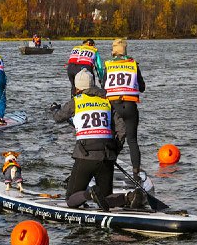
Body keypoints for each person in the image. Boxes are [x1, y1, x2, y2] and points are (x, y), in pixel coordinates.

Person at [50, 69, 147, 211]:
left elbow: (58, 118)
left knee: (71, 200)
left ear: (77, 88)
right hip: (107, 155)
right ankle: (129, 197)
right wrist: (115, 149)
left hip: (85, 155)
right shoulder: (107, 101)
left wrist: (54, 109)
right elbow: (122, 129)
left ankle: (89, 194)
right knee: (106, 199)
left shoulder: (75, 102)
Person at [102, 38, 146, 176]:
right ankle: (136, 171)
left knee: (111, 136)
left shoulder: (108, 65)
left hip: (114, 106)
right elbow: (142, 87)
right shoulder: (133, 64)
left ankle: (107, 164)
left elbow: (104, 86)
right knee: (132, 140)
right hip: (130, 105)